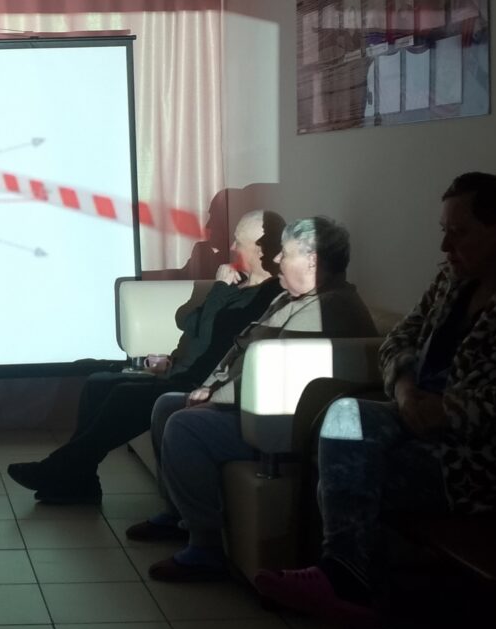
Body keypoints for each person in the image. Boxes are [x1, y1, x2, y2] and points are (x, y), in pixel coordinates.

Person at [254, 174, 496, 629]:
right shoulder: (454, 279)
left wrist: (450, 411)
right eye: (444, 231)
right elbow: (400, 339)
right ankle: (349, 580)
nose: (445, 246)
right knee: (343, 416)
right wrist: (406, 390)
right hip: (425, 425)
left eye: (458, 232)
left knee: (361, 482)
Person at [137, 216, 377, 582]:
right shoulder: (290, 297)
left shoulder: (329, 308)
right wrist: (208, 387)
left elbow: (277, 370)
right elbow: (239, 352)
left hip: (281, 423)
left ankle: (205, 547)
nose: (276, 259)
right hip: (253, 405)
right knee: (167, 404)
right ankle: (178, 515)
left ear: (312, 260)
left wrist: (215, 398)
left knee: (185, 425)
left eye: (286, 253)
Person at [7, 211, 285, 504]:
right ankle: (82, 480)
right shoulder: (237, 283)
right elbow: (189, 323)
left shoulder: (266, 296)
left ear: (260, 249)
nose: (231, 247)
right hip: (181, 371)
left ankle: (58, 469)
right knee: (97, 382)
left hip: (200, 382)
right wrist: (221, 291)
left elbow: (212, 332)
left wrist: (218, 290)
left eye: (239, 242)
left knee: (124, 395)